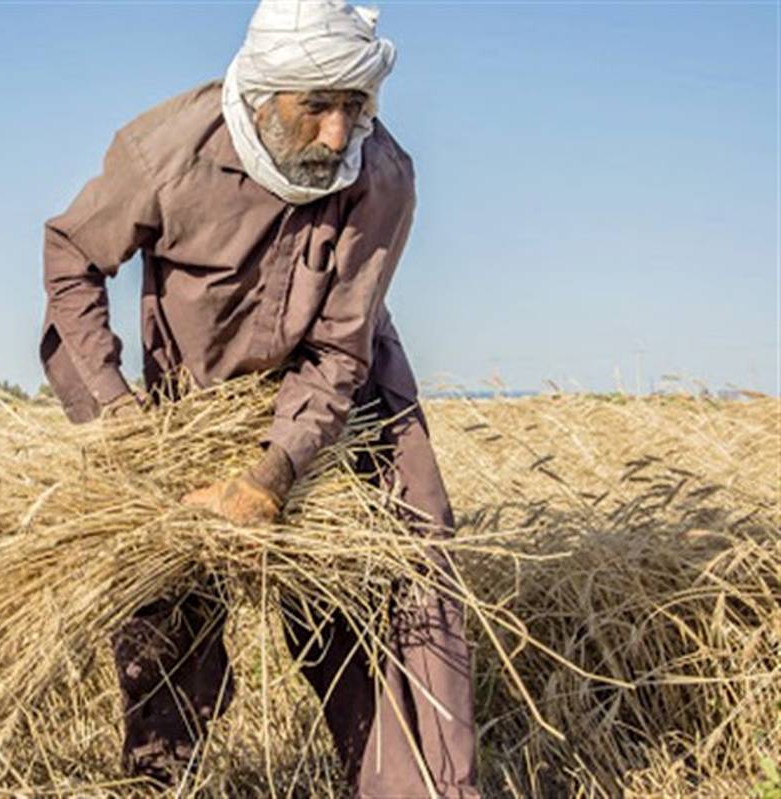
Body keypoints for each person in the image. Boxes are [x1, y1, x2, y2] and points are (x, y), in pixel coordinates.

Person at [38, 1, 479, 796]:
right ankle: (158, 779)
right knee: (166, 602)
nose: (339, 134)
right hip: (187, 409)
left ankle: (413, 785)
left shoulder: (381, 176)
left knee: (402, 566)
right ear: (264, 97)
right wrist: (118, 415)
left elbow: (341, 344)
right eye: (318, 107)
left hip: (343, 396)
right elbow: (72, 256)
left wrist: (274, 474)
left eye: (356, 106)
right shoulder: (164, 151)